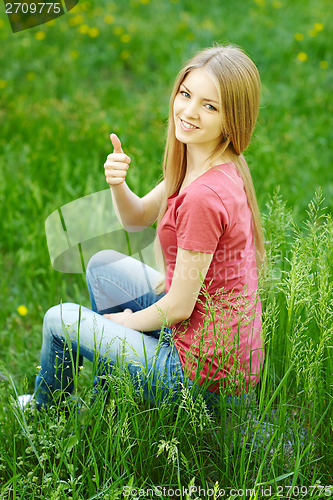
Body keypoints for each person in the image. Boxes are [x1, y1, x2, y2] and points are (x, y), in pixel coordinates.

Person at [19, 44, 265, 411]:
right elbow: (136, 218)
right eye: (185, 94)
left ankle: (47, 411)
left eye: (209, 106)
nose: (189, 112)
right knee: (104, 267)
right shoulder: (207, 162)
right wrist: (118, 184)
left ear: (233, 118)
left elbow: (180, 306)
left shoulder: (204, 195)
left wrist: (127, 322)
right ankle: (112, 390)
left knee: (59, 320)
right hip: (205, 344)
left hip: (196, 379)